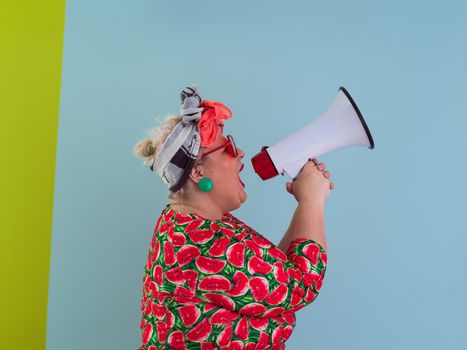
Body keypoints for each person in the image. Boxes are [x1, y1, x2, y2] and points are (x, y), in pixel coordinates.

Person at [133, 86, 334, 349]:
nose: (239, 153)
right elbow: (298, 286)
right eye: (227, 147)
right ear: (197, 172)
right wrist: (312, 201)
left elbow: (275, 272)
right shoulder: (203, 243)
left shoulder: (188, 224)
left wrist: (306, 202)